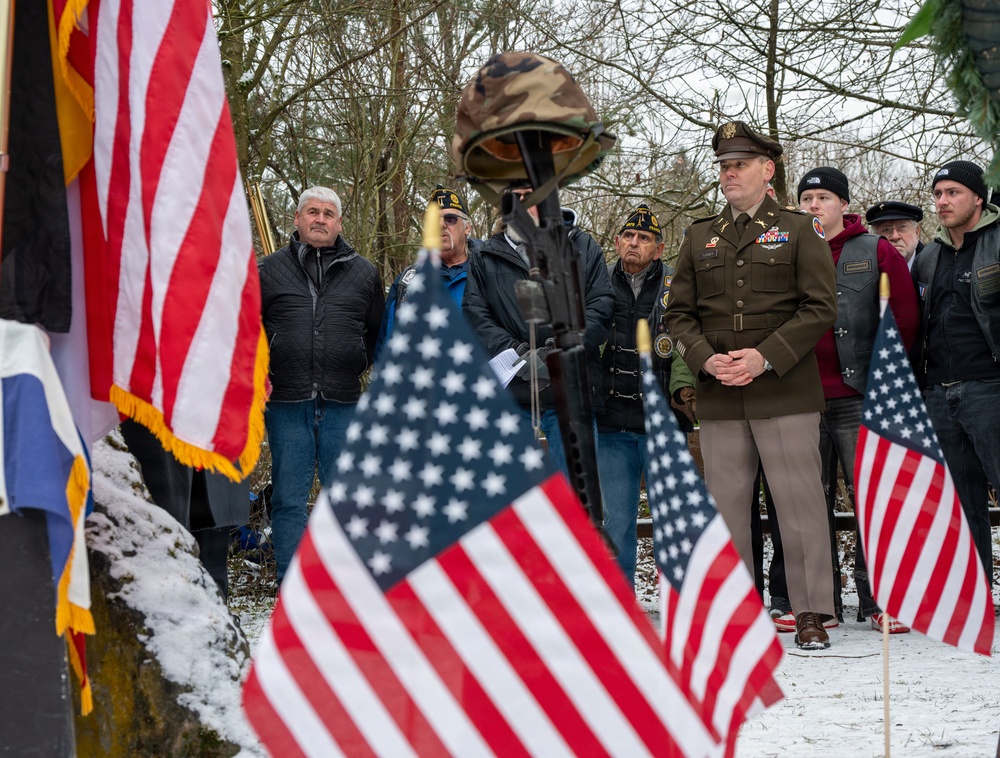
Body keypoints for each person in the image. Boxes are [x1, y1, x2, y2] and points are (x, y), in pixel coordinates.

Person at [665, 120, 838, 650]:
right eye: (722, 165)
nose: (728, 173)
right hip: (720, 394)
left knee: (799, 504)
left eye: (739, 164)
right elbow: (679, 315)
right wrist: (706, 361)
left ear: (768, 170)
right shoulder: (699, 235)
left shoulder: (799, 228)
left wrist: (763, 358)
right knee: (726, 507)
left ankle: (810, 611)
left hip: (783, 390)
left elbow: (820, 308)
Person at [796, 167, 920, 633]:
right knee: (809, 503)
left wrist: (885, 382)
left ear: (842, 205)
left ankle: (881, 599)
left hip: (860, 396)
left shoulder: (874, 250)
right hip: (801, 398)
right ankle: (820, 603)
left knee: (873, 500)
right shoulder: (786, 251)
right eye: (806, 197)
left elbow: (904, 320)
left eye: (823, 197)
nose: (813, 205)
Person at [258, 186, 383, 582]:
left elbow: (376, 333)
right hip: (286, 402)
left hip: (343, 402)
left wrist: (357, 362)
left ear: (339, 223)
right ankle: (292, 587)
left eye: (329, 213)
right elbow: (251, 333)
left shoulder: (364, 272)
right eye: (312, 211)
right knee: (288, 501)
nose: (320, 219)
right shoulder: (268, 269)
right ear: (296, 218)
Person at [463, 185, 613, 473]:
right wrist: (518, 353)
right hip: (511, 397)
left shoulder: (583, 247)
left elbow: (601, 307)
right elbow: (475, 315)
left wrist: (557, 353)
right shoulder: (485, 257)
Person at [596, 204, 696, 588]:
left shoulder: (677, 286)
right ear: (618, 242)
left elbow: (689, 344)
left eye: (645, 238)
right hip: (610, 423)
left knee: (671, 517)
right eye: (629, 236)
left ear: (659, 248)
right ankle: (619, 597)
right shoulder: (598, 283)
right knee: (616, 519)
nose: (634, 243)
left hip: (662, 423)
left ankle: (678, 595)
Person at [912, 160, 1000, 585]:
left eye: (953, 193)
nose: (942, 202)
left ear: (978, 197)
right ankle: (975, 595)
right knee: (963, 505)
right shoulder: (929, 256)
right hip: (938, 394)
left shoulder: (998, 242)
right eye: (938, 194)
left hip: (990, 389)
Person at [376, 186, 482, 357]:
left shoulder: (488, 273)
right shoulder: (408, 282)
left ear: (467, 227)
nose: (441, 225)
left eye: (450, 219)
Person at [866, 201, 925, 269]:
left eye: (902, 227)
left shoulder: (936, 267)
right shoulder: (866, 272)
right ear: (874, 237)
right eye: (886, 230)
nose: (895, 237)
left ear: (917, 232)